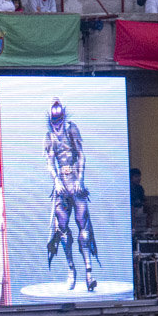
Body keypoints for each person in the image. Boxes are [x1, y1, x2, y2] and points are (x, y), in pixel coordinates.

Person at [44, 98, 96, 292]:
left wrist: (80, 180)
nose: (57, 122)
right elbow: (50, 162)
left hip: (75, 181)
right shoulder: (49, 136)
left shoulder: (71, 129)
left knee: (84, 226)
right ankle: (71, 269)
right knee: (63, 230)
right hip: (62, 185)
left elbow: (81, 154)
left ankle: (89, 272)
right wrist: (57, 181)